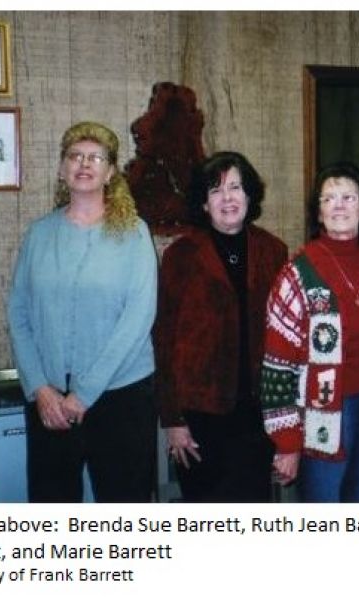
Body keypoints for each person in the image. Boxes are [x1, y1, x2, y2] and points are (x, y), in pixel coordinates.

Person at [7, 121, 158, 502]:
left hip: (121, 397)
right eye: (75, 156)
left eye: (96, 157)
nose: (84, 163)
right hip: (49, 402)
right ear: (62, 169)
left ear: (110, 173)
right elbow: (19, 314)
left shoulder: (134, 233)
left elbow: (138, 319)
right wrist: (39, 388)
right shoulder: (39, 234)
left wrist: (83, 395)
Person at [154, 151, 287, 502]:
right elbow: (163, 338)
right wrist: (172, 419)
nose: (227, 198)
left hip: (258, 412)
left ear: (249, 195)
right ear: (203, 202)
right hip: (199, 412)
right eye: (216, 190)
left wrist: (286, 418)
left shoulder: (273, 251)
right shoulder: (180, 255)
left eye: (235, 187)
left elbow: (287, 337)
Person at [261, 162, 359, 502]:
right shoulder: (297, 273)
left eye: (348, 197)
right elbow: (277, 364)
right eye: (328, 198)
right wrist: (286, 440)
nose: (338, 205)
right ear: (319, 213)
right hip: (324, 411)